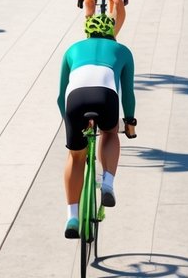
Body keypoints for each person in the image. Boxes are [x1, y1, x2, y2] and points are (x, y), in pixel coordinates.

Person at [58, 14, 137, 239]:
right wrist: (129, 122)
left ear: (88, 32)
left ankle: (72, 216)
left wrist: (70, 123)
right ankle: (108, 184)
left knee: (75, 156)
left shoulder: (72, 49)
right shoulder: (122, 50)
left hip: (75, 100)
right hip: (106, 97)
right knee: (110, 132)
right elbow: (128, 94)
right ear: (111, 32)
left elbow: (58, 95)